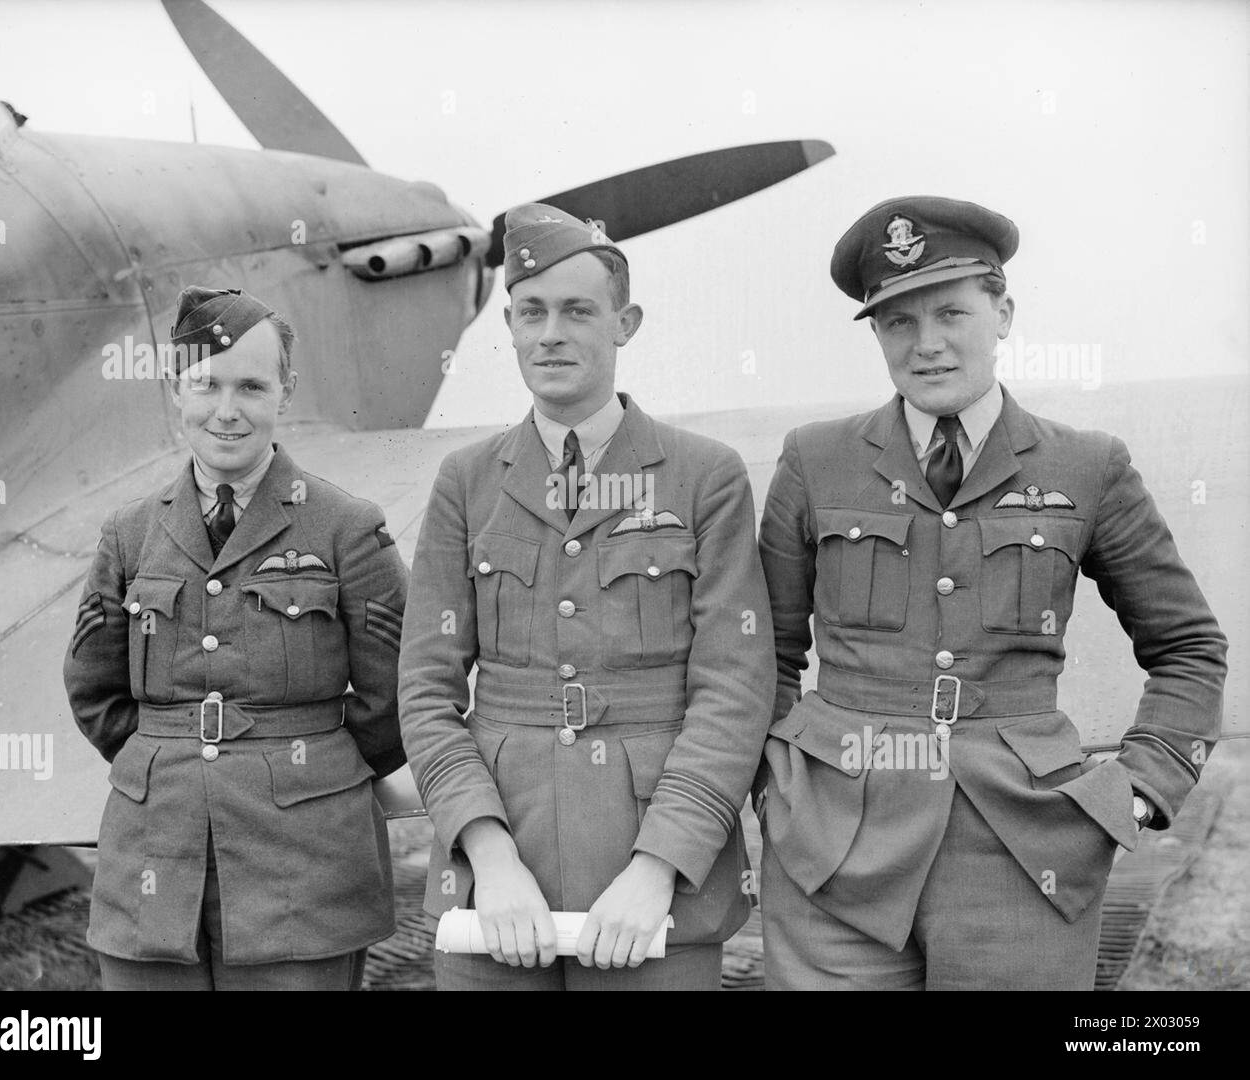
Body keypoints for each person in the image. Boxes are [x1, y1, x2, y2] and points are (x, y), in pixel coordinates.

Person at [757, 195, 1228, 990]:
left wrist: (1142, 791)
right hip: (832, 853)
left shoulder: (1087, 465)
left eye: (952, 313)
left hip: (1026, 851)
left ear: (1003, 313)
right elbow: (764, 650)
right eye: (898, 323)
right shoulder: (815, 460)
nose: (928, 344)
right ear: (876, 334)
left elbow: (1189, 648)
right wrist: (778, 784)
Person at [399, 204, 775, 990]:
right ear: (507, 323)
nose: (550, 335)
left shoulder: (704, 476)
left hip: (654, 887)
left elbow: (734, 691)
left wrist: (659, 867)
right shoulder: (467, 482)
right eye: (530, 313)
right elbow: (427, 690)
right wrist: (488, 854)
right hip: (497, 883)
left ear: (625, 323)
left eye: (577, 311)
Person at [63, 286, 408, 990]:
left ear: (286, 390)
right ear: (174, 391)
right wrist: (168, 758)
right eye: (206, 385)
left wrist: (308, 774)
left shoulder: (347, 528)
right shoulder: (128, 534)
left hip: (305, 872)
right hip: (153, 863)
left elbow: (394, 699)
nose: (227, 410)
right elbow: (94, 692)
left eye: (251, 385)